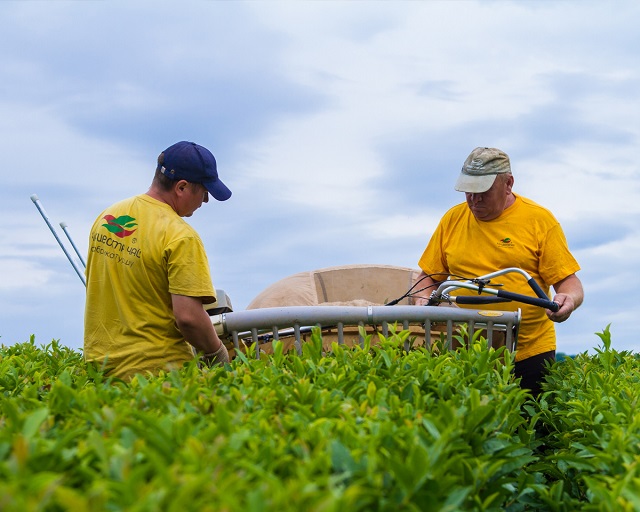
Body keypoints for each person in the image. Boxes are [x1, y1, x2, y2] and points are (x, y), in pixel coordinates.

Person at [414, 147, 583, 395]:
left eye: (483, 191)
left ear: (508, 184)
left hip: (527, 351)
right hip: (464, 351)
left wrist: (569, 301)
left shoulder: (539, 221)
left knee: (528, 427)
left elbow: (569, 283)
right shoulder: (452, 220)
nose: (474, 200)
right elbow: (428, 277)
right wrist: (421, 300)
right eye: (468, 192)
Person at [84, 141, 231, 380]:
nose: (205, 201)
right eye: (204, 192)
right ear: (182, 187)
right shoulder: (180, 236)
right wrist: (217, 352)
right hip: (157, 375)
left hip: (99, 370)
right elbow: (188, 318)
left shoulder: (108, 217)